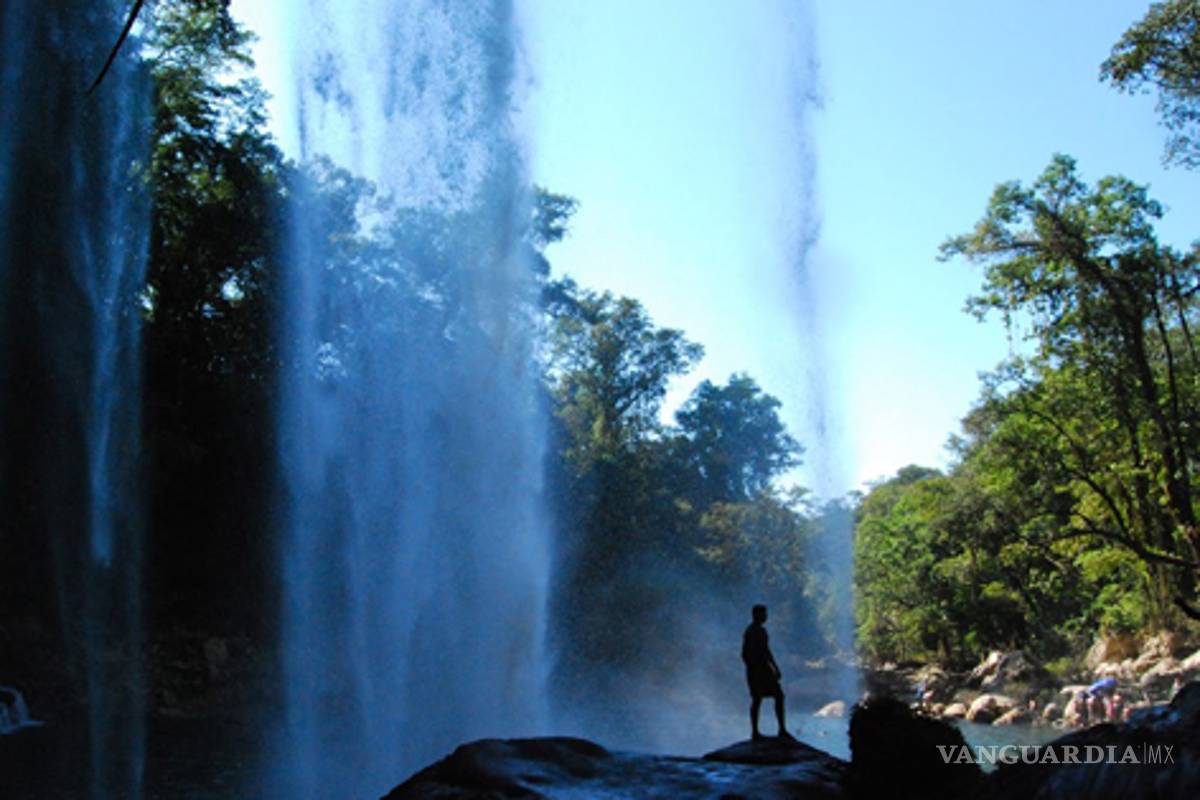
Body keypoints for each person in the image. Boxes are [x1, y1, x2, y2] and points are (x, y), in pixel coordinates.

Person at [742, 604, 793, 740]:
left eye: (765, 614)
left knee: (778, 696)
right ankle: (755, 732)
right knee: (758, 699)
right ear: (756, 615)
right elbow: (745, 654)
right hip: (757, 670)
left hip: (764, 669)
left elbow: (767, 651)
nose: (766, 617)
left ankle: (781, 730)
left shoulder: (762, 631)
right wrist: (753, 669)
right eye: (763, 614)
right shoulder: (751, 631)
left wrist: (775, 667)